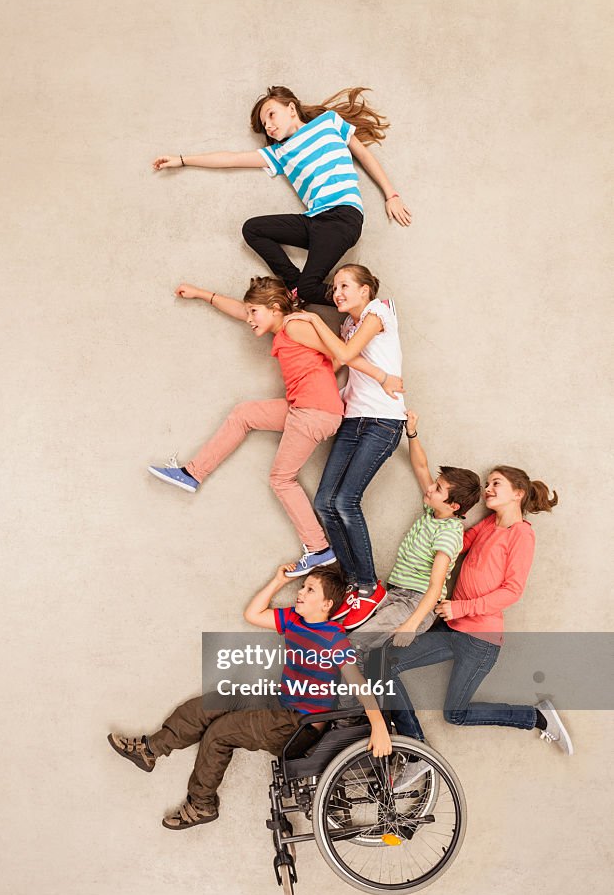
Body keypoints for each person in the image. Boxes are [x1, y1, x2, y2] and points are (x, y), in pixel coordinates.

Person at [148, 276, 402, 578]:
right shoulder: (282, 325)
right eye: (250, 312)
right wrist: (201, 294)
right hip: (303, 408)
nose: (249, 318)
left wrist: (382, 376)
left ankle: (318, 547)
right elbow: (241, 311)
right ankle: (192, 474)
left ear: (274, 308)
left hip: (315, 411)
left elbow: (340, 354)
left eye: (255, 312)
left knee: (282, 479)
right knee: (244, 414)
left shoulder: (296, 325)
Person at [107, 565, 391, 831]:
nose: (300, 593)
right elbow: (253, 614)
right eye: (302, 587)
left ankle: (202, 805)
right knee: (214, 702)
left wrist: (378, 727)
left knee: (220, 733)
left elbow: (358, 684)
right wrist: (280, 580)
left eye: (309, 590)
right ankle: (150, 750)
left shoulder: (334, 638)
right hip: (279, 703)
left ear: (327, 605)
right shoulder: (294, 619)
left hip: (300, 727)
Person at [381, 460, 574, 768]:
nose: (488, 489)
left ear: (518, 493)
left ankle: (535, 717)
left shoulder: (521, 534)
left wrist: (461, 606)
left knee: (454, 714)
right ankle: (417, 751)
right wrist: (441, 518)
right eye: (487, 483)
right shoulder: (488, 524)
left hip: (479, 640)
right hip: (452, 629)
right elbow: (456, 543)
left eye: (496, 483)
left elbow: (512, 591)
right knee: (382, 665)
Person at [153, 86, 411, 307]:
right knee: (253, 229)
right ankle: (295, 285)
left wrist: (391, 194)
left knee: (311, 289)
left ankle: (368, 306)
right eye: (265, 124)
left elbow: (364, 155)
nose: (269, 125)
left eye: (271, 115)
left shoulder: (329, 122)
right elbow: (231, 158)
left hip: (342, 217)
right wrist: (182, 160)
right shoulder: (279, 152)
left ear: (291, 108)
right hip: (315, 221)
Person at [283, 264, 407, 627]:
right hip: (353, 419)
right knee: (325, 501)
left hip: (384, 421)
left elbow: (348, 352)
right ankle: (353, 582)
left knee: (346, 501)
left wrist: (315, 322)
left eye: (345, 286)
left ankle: (370, 585)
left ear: (366, 290)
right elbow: (338, 358)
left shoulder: (378, 311)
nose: (337, 293)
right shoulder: (348, 325)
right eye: (334, 287)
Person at [347, 411, 480, 696]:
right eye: (436, 484)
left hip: (414, 604)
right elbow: (421, 467)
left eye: (439, 488)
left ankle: (352, 708)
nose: (431, 488)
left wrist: (411, 624)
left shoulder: (448, 533)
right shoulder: (433, 510)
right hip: (396, 594)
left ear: (454, 505)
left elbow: (435, 587)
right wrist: (412, 433)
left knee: (355, 644)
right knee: (349, 633)